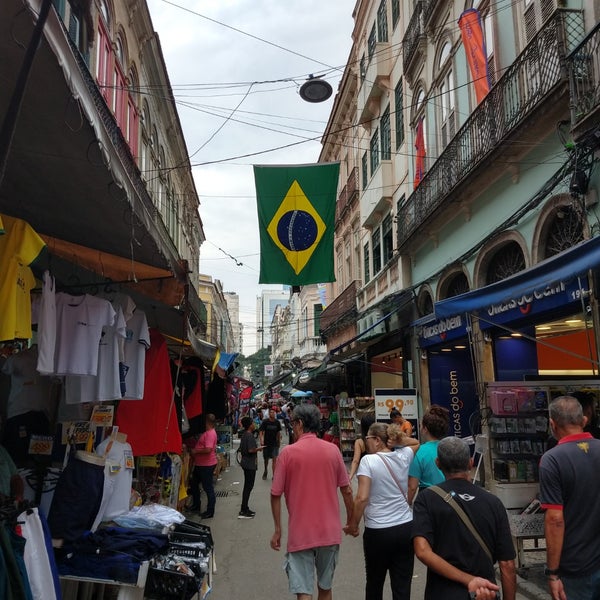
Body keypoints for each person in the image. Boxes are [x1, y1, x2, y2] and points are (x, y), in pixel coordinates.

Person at [412, 436, 516, 600]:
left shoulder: (426, 499)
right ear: (470, 462)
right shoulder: (493, 503)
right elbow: (507, 564)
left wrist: (470, 580)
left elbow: (422, 551)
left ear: (438, 463)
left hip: (442, 593)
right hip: (485, 593)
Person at [270, 403, 354, 600]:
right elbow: (347, 490)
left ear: (299, 424)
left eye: (293, 423)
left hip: (300, 533)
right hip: (329, 532)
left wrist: (278, 529)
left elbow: (275, 494)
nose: (292, 427)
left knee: (304, 592)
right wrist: (351, 521)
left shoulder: (287, 454)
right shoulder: (333, 450)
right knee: (325, 588)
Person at [344, 422, 419, 600]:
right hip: (405, 528)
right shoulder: (403, 455)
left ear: (377, 440)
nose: (366, 442)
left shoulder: (368, 461)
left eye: (368, 438)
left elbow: (362, 498)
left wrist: (353, 525)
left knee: (375, 583)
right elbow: (415, 442)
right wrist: (398, 442)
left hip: (378, 531)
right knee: (402, 586)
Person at [539, 395, 600, 600]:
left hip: (575, 565)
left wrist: (553, 573)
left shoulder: (552, 460)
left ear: (552, 424)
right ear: (583, 420)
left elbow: (555, 520)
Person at [407, 404, 449, 505]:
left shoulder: (419, 452)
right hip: (450, 495)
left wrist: (406, 503)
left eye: (421, 425)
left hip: (429, 497)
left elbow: (412, 487)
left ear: (425, 429)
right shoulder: (451, 447)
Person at [190, 413, 218, 519]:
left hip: (206, 465)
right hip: (201, 464)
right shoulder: (208, 432)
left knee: (208, 488)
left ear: (207, 422)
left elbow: (208, 449)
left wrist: (195, 451)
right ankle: (196, 505)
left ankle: (210, 511)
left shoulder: (210, 434)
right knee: (194, 484)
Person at [237, 415, 263, 519]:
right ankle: (244, 509)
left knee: (247, 486)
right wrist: (259, 449)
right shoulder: (249, 436)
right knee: (248, 486)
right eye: (252, 423)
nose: (254, 424)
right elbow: (251, 450)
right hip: (249, 464)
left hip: (246, 463)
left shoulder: (245, 435)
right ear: (249, 425)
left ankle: (245, 507)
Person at [348, 413, 375, 481]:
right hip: (377, 471)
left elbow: (356, 461)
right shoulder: (378, 439)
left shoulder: (359, 442)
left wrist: (350, 477)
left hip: (364, 473)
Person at [260, 408, 282, 480]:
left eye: (273, 413)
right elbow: (261, 432)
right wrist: (262, 440)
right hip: (267, 443)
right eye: (271, 412)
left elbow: (278, 433)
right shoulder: (265, 422)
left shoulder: (277, 422)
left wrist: (279, 441)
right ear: (269, 414)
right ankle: (265, 470)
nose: (272, 414)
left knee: (274, 459)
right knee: (266, 459)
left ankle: (274, 475)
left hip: (274, 443)